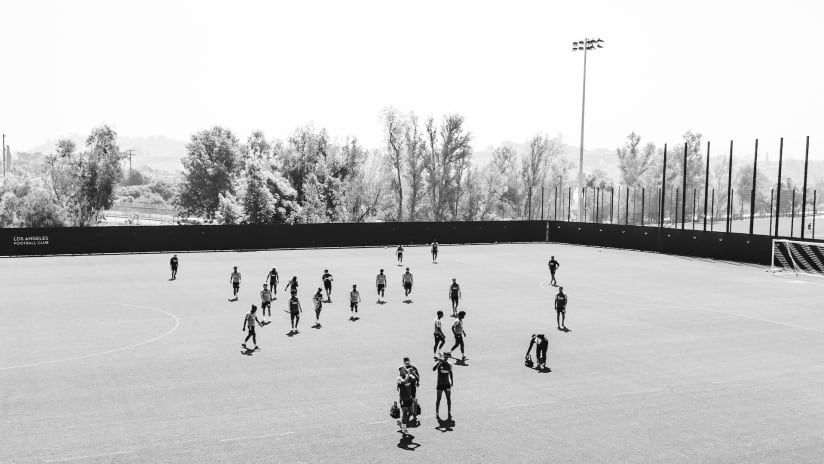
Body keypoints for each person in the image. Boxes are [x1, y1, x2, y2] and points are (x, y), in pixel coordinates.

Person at [432, 352, 453, 422]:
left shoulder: (449, 364)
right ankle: (437, 412)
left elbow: (451, 373)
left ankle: (449, 412)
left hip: (447, 384)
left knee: (448, 399)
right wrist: (438, 362)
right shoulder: (439, 363)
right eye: (445, 356)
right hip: (440, 384)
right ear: (443, 356)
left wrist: (452, 381)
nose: (446, 358)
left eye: (447, 357)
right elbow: (433, 369)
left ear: (448, 358)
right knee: (438, 399)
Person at [396, 366, 417, 435]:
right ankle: (404, 429)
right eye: (404, 368)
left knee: (411, 412)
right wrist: (408, 374)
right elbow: (403, 382)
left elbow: (415, 379)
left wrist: (413, 374)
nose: (405, 368)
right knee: (405, 412)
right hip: (403, 399)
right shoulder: (398, 378)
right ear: (401, 370)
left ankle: (401, 423)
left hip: (409, 398)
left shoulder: (409, 376)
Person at [403, 357, 421, 424]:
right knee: (407, 400)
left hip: (412, 387)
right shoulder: (402, 369)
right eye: (406, 362)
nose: (407, 363)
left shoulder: (414, 368)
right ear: (404, 362)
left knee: (413, 400)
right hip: (406, 387)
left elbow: (418, 377)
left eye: (408, 361)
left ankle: (415, 413)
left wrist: (418, 382)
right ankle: (408, 411)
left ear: (409, 361)